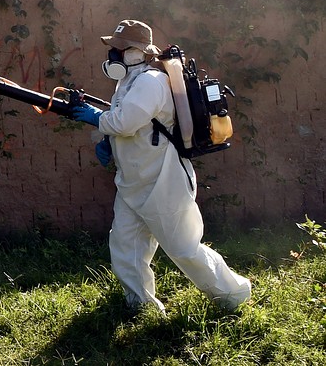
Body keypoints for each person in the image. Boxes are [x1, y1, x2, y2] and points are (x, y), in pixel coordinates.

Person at [70, 19, 252, 314]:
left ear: (136, 52)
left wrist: (95, 118)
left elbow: (124, 122)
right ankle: (140, 305)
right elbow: (126, 123)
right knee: (126, 245)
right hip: (133, 180)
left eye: (119, 49)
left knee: (184, 249)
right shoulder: (127, 82)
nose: (113, 55)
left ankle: (234, 294)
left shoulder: (151, 81)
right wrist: (107, 141)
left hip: (163, 181)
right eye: (113, 49)